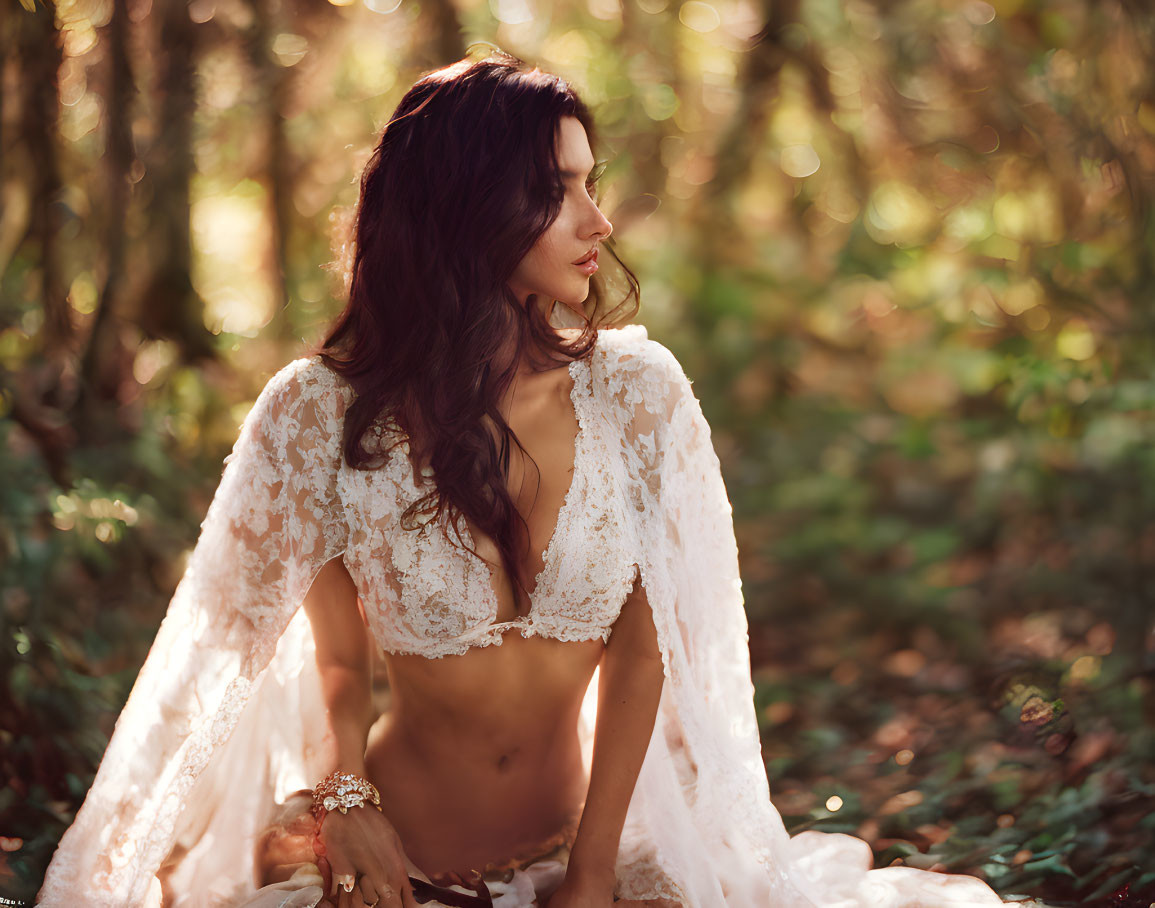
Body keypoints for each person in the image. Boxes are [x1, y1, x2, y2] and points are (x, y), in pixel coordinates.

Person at [36, 50, 1016, 908]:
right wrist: (347, 805)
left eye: (592, 182)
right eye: (560, 188)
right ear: (469, 205)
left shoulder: (638, 396)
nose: (598, 219)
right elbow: (327, 664)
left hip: (575, 857)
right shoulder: (318, 415)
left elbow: (648, 651)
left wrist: (591, 877)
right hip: (393, 869)